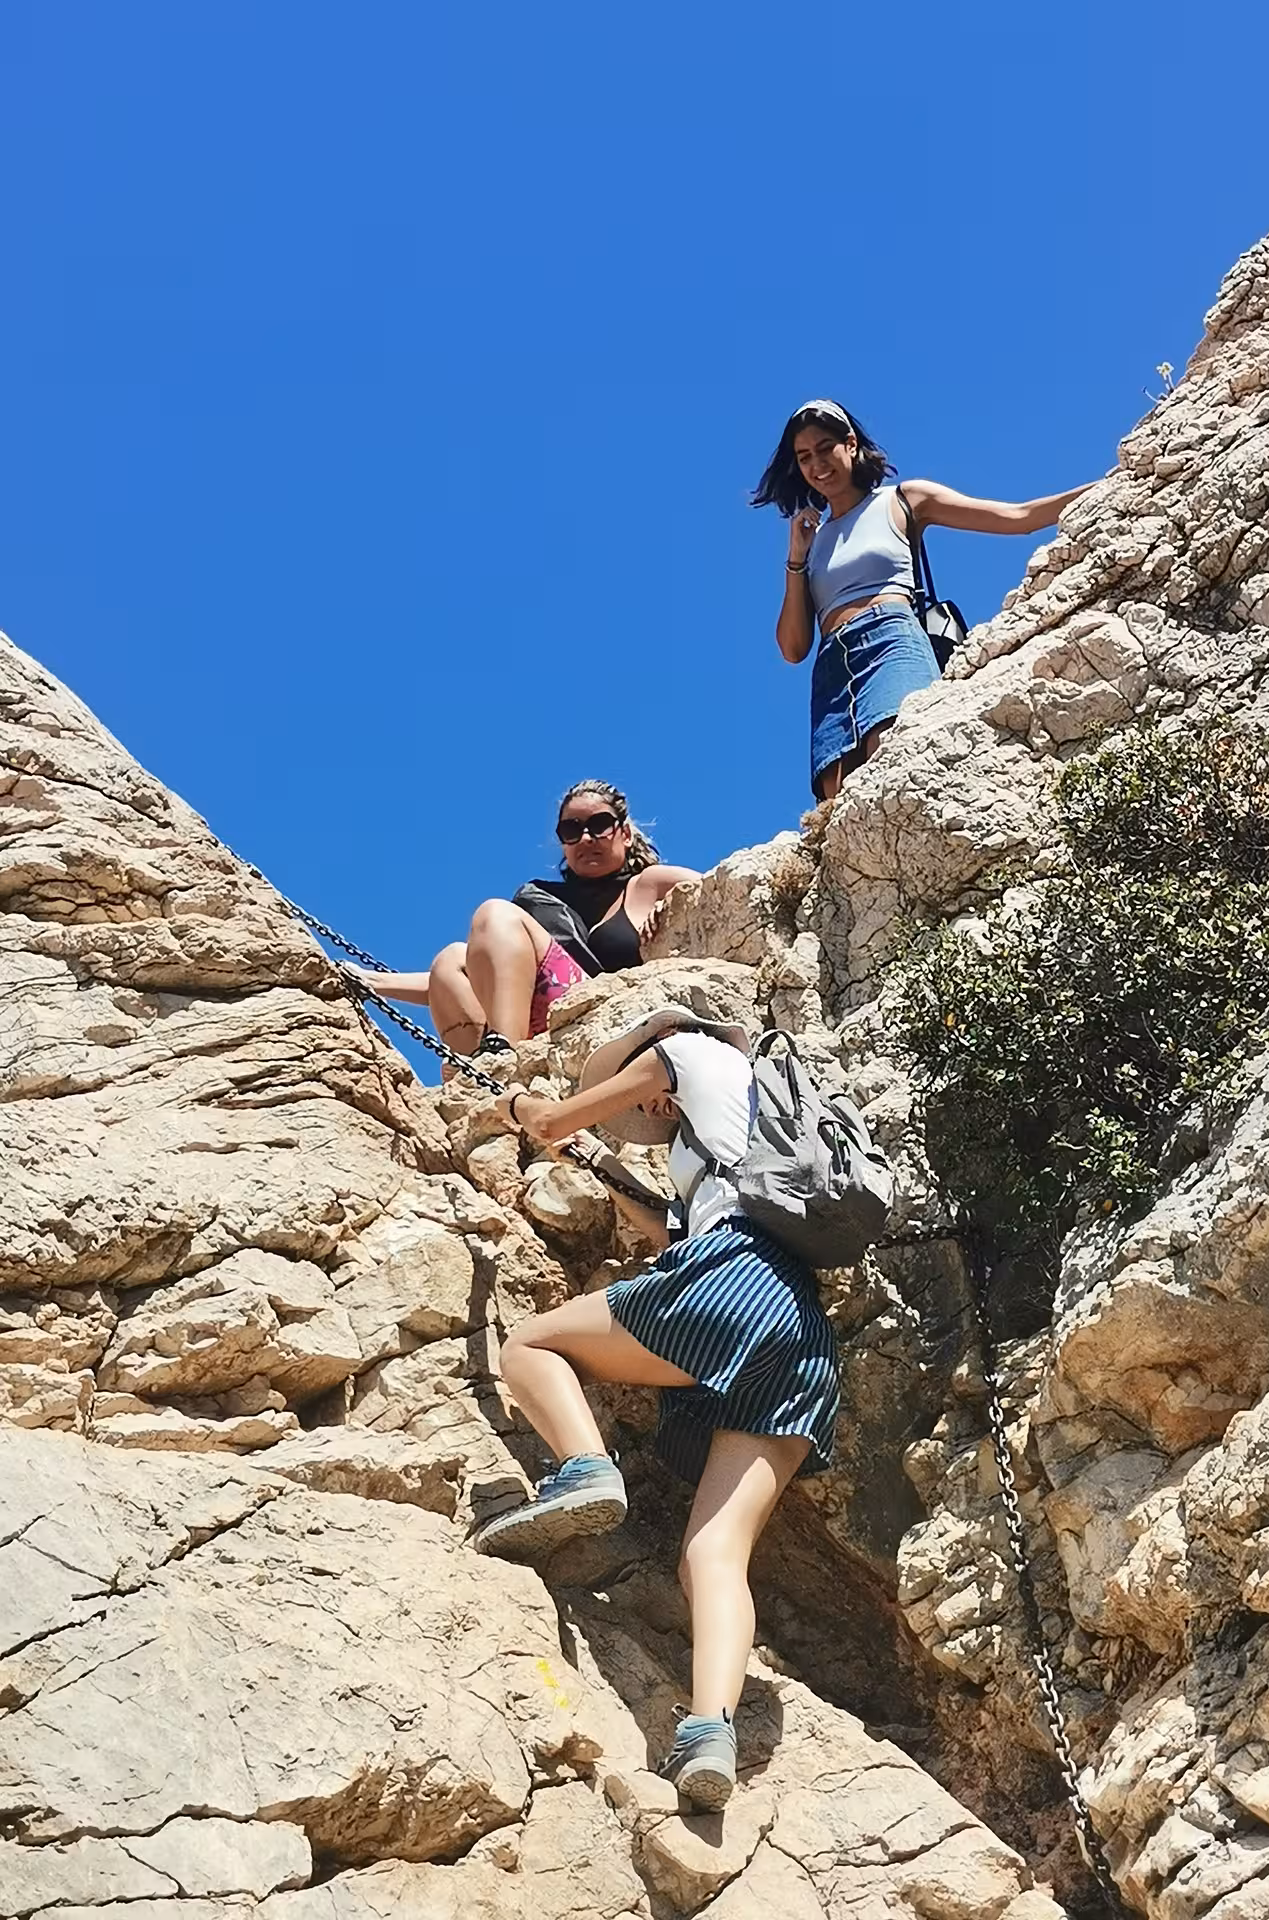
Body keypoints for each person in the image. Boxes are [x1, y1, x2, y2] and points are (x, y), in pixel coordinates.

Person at [473, 1006, 839, 1812]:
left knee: (530, 1347)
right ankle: (709, 1730)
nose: (646, 1102)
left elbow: (552, 1118)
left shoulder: (687, 1048)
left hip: (733, 1283)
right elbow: (678, 1235)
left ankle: (584, 1470)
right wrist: (601, 1164)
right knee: (712, 1554)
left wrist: (525, 1113)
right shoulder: (740, 1127)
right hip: (799, 1334)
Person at [753, 397, 1096, 799]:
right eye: (804, 456)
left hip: (890, 640)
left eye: (824, 447)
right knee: (839, 798)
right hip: (832, 666)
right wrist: (795, 559)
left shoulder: (902, 500)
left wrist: (1116, 481)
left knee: (896, 763)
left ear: (850, 444)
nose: (816, 464)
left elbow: (1018, 517)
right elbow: (793, 649)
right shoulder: (811, 544)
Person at [355, 781, 700, 1056]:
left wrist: (676, 905)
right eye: (572, 830)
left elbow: (729, 888)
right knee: (451, 959)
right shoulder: (544, 901)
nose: (586, 838)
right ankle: (481, 1077)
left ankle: (506, 1057)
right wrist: (371, 982)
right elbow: (486, 974)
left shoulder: (651, 884)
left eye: (599, 825)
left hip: (607, 1018)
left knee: (495, 913)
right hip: (542, 1019)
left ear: (624, 833)